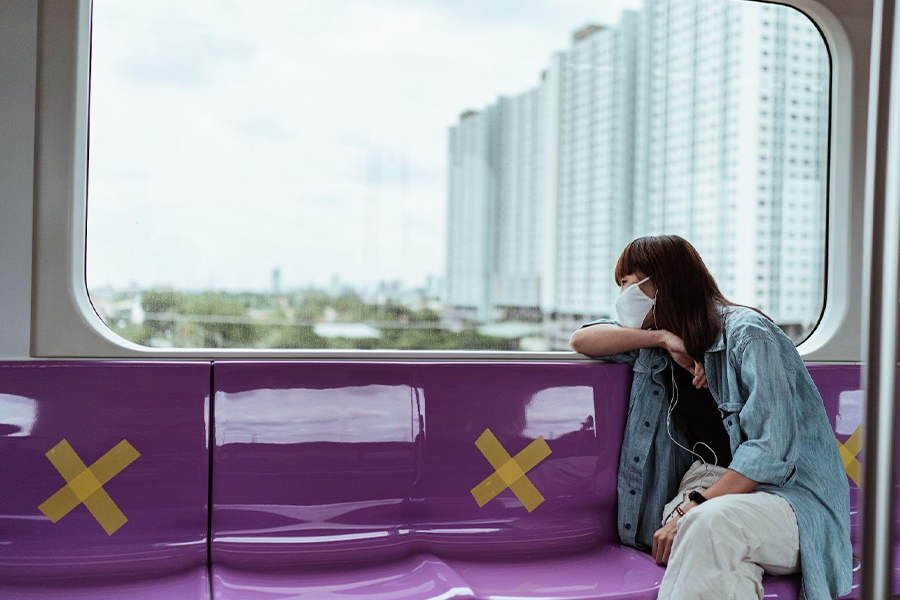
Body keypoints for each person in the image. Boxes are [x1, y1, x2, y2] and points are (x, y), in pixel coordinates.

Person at [568, 235, 852, 600]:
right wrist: (664, 339)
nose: (622, 294)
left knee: (707, 526)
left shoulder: (749, 336)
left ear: (659, 282)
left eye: (627, 282)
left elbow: (771, 450)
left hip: (791, 502)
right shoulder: (658, 346)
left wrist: (696, 506)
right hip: (721, 494)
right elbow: (582, 339)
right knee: (717, 557)